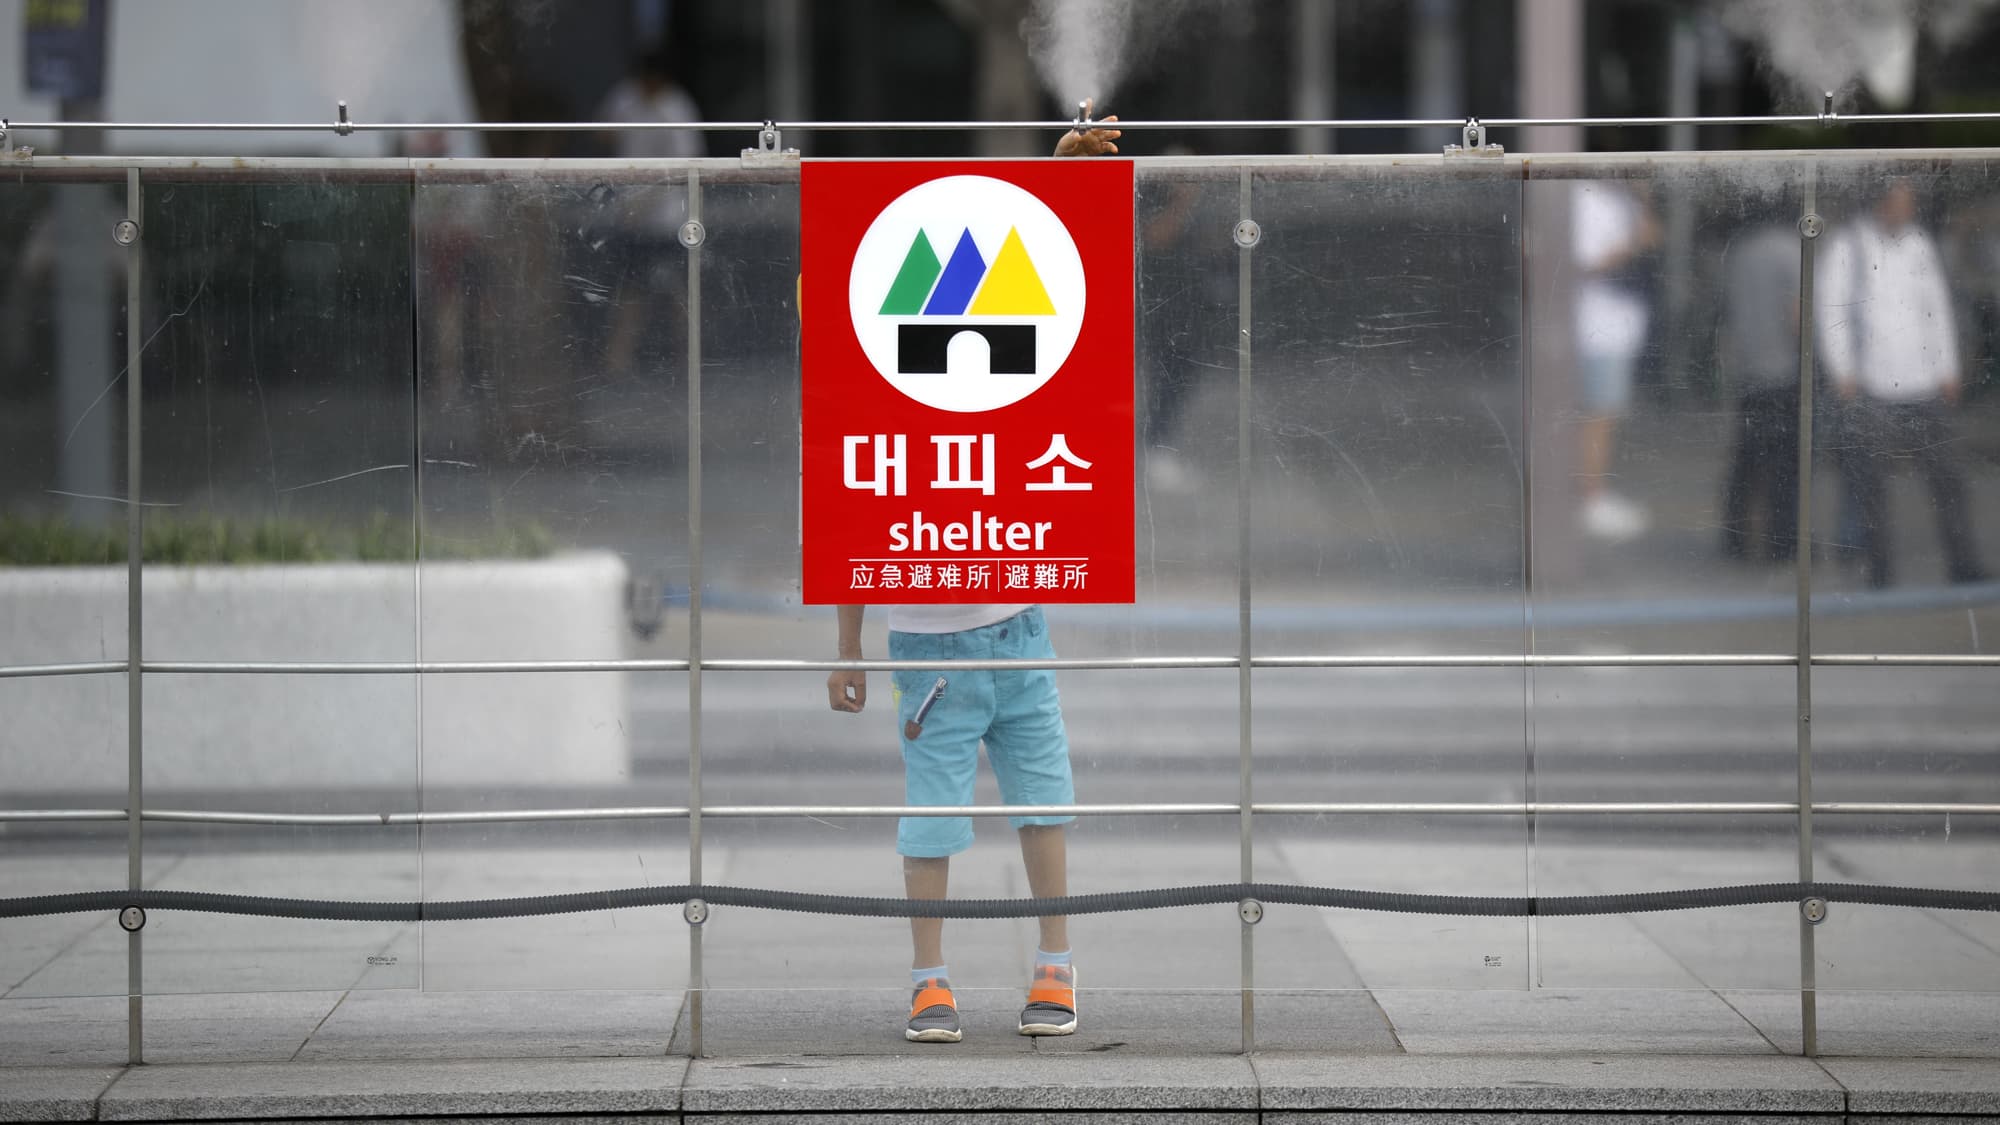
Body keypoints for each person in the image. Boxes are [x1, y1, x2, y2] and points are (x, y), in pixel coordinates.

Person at [826, 113, 1120, 1045]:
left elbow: (1045, 256)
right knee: (935, 816)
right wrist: (847, 645)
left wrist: (1064, 179)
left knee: (1042, 802)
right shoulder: (866, 376)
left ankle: (1055, 965)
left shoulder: (992, 363)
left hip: (1017, 629)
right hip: (935, 643)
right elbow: (857, 513)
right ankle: (931, 978)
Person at [1815, 178, 1987, 588]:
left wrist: (1947, 367)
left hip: (1923, 380)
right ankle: (1881, 571)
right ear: (1881, 204)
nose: (1906, 211)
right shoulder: (1848, 246)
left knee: (1948, 479)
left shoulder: (1917, 244)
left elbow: (1937, 308)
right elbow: (1830, 311)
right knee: (1872, 486)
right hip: (1871, 382)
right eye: (1900, 203)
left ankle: (1963, 563)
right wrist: (1843, 372)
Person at [1572, 180, 1661, 541]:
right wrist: (1634, 244)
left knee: (1603, 413)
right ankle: (1588, 499)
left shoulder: (1623, 199)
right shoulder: (1583, 199)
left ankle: (1588, 495)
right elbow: (1582, 263)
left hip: (1617, 325)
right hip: (1594, 326)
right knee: (1597, 415)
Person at [1717, 215, 1804, 563]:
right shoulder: (1789, 249)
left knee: (1748, 459)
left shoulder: (1741, 251)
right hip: (1783, 370)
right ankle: (1781, 543)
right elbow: (1796, 311)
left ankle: (1736, 540)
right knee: (1785, 463)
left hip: (1749, 368)